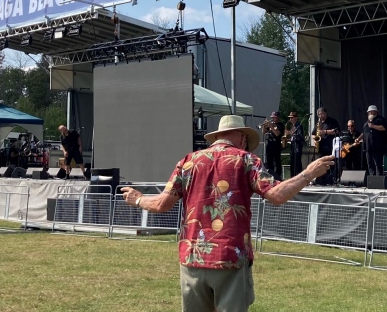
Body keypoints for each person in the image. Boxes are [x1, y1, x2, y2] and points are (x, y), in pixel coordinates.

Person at [121, 115, 334, 312]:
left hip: (192, 259)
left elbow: (161, 204)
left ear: (217, 137)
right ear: (241, 137)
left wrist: (138, 199)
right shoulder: (247, 160)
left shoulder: (188, 162)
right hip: (230, 257)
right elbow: (276, 195)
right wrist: (308, 174)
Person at [311, 107, 340, 184]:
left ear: (326, 113)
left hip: (330, 146)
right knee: (322, 163)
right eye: (319, 114)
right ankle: (323, 179)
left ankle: (333, 179)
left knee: (331, 163)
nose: (321, 116)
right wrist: (315, 139)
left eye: (322, 113)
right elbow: (313, 134)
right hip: (321, 146)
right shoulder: (318, 124)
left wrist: (325, 132)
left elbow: (337, 131)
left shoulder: (332, 121)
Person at [363, 105, 387, 176]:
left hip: (377, 147)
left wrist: (373, 126)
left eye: (371, 112)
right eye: (369, 112)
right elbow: (364, 132)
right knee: (369, 163)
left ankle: (379, 178)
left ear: (375, 112)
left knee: (378, 163)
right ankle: (372, 178)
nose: (369, 113)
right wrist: (359, 138)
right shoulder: (366, 123)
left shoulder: (380, 120)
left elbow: (384, 128)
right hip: (368, 147)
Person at [262, 112, 284, 181]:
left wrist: (271, 126)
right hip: (269, 144)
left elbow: (277, 134)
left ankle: (278, 176)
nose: (273, 118)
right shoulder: (271, 125)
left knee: (277, 161)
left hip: (276, 144)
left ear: (278, 117)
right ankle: (270, 175)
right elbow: (264, 132)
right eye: (272, 117)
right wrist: (264, 126)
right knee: (269, 161)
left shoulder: (280, 125)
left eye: (274, 117)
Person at [286, 111, 305, 177]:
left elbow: (300, 136)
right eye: (290, 118)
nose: (290, 119)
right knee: (292, 161)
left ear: (296, 118)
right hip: (293, 145)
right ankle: (293, 176)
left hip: (297, 146)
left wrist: (291, 133)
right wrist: (288, 139)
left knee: (297, 162)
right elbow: (293, 136)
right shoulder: (293, 126)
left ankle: (298, 176)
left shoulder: (299, 125)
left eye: (292, 117)